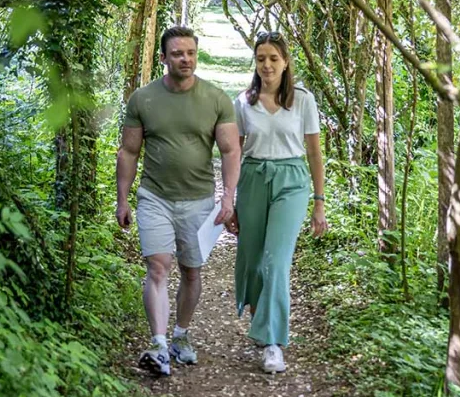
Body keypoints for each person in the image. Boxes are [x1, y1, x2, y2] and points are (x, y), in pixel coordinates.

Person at [116, 26, 240, 377]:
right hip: (154, 197)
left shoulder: (216, 99)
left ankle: (180, 336)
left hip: (199, 200)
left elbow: (231, 150)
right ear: (163, 58)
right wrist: (122, 200)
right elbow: (128, 151)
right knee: (157, 266)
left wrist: (227, 196)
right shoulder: (144, 99)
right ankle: (157, 344)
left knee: (191, 270)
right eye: (177, 54)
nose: (185, 59)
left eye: (190, 53)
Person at [228, 31, 328, 374]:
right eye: (261, 59)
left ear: (286, 62)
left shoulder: (303, 100)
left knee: (276, 261)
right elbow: (234, 153)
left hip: (291, 181)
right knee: (254, 260)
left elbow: (314, 152)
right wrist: (229, 199)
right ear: (255, 64)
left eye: (273, 58)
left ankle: (273, 342)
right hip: (253, 179)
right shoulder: (243, 102)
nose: (267, 65)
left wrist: (319, 201)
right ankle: (263, 321)